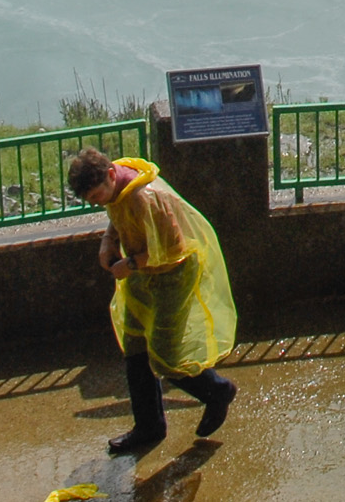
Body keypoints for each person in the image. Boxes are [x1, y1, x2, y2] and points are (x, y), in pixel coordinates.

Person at [68, 147, 239, 455]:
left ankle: (217, 391)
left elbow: (174, 248)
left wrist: (130, 264)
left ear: (109, 175)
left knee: (165, 355)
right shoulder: (117, 186)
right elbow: (117, 211)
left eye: (96, 196)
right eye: (91, 200)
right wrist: (109, 242)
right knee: (134, 347)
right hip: (144, 275)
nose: (97, 202)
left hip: (173, 276)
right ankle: (148, 426)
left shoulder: (145, 196)